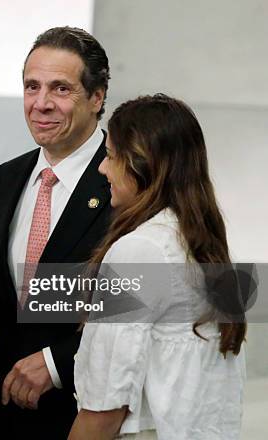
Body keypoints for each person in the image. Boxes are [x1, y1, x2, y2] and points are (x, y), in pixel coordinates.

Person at [70, 94, 246, 439]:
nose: (103, 169)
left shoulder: (141, 251)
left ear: (141, 163)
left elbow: (105, 407)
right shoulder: (201, 245)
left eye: (110, 155)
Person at [0, 27, 113, 439]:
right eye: (31, 86)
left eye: (60, 89)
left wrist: (57, 363)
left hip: (85, 411)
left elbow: (152, 294)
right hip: (5, 406)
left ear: (97, 97)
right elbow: (5, 284)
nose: (41, 104)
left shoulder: (129, 181)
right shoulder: (9, 177)